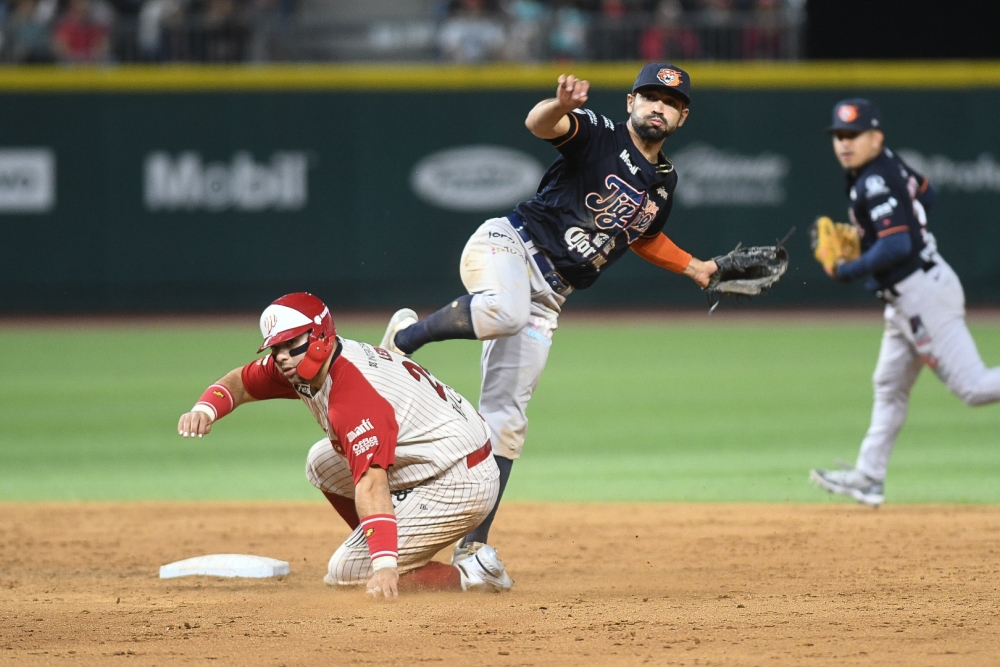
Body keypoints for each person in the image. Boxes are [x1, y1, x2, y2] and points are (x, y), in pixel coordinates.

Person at [380, 63, 720, 562]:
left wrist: (696, 268)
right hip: (509, 247)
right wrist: (561, 105)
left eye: (669, 103)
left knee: (507, 421)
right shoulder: (601, 134)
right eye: (649, 96)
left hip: (550, 298)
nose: (658, 106)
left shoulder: (665, 182)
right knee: (504, 310)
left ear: (681, 118)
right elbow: (540, 125)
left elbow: (643, 237)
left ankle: (472, 550)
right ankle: (406, 338)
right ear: (631, 103)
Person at [177, 292, 513, 599]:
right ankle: (395, 541)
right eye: (275, 348)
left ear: (321, 335)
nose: (281, 356)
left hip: (461, 481)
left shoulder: (352, 397)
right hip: (432, 456)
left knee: (346, 572)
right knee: (321, 461)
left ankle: (472, 573)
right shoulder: (304, 364)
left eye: (290, 343)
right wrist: (204, 409)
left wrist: (382, 566)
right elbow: (240, 382)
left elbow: (371, 483)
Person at [810, 99, 1000, 506]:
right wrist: (878, 237)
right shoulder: (886, 165)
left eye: (854, 135)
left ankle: (868, 477)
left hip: (921, 295)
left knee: (975, 387)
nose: (844, 143)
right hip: (909, 294)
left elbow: (896, 244)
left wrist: (849, 269)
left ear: (876, 137)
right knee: (889, 385)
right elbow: (925, 197)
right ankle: (869, 477)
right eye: (839, 136)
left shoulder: (873, 180)